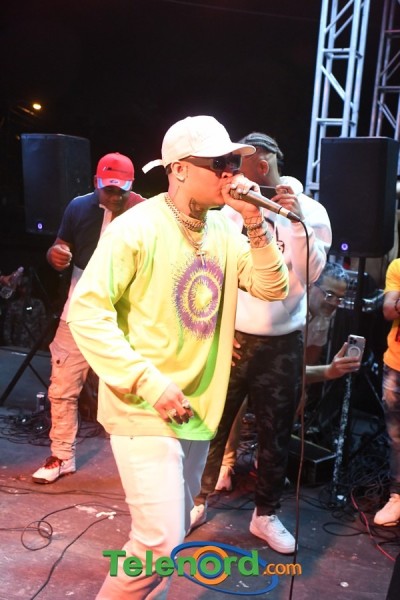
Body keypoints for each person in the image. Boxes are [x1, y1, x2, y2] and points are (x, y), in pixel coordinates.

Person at [67, 115, 289, 599]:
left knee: (173, 537)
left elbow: (273, 287)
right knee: (158, 544)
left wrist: (255, 222)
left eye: (233, 162)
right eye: (219, 163)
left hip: (196, 408)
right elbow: (86, 312)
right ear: (180, 169)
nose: (231, 173)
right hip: (145, 406)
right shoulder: (136, 228)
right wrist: (147, 381)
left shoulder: (225, 228)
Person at [190, 131, 332, 554]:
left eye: (241, 162)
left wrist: (294, 223)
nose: (231, 170)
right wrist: (215, 329)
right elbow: (210, 273)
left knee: (276, 435)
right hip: (232, 336)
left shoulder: (311, 212)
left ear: (264, 163)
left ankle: (265, 514)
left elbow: (310, 275)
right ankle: (196, 500)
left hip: (281, 343)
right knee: (211, 425)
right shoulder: (229, 210)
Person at [32, 152, 144, 484]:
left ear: (131, 185)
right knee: (62, 386)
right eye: (109, 189)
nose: (115, 196)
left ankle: (140, 464)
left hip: (125, 315)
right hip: (79, 309)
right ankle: (62, 456)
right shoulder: (78, 207)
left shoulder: (144, 212)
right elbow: (59, 247)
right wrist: (55, 255)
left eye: (121, 190)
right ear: (96, 182)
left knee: (131, 389)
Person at [214, 262, 358, 492]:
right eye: (330, 294)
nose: (333, 303)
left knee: (294, 395)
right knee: (238, 398)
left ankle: (265, 461)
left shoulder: (322, 321)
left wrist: (328, 372)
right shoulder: (282, 305)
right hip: (248, 362)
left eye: (339, 299)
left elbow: (300, 372)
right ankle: (226, 463)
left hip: (277, 374)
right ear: (311, 285)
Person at [374, 258, 400, 526]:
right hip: (396, 364)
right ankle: (397, 496)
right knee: (396, 438)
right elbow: (389, 310)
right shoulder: (398, 267)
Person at [3, 275, 47, 348]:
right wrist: (10, 345)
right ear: (19, 289)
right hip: (18, 345)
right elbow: (7, 326)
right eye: (24, 286)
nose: (26, 289)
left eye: (28, 287)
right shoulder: (14, 306)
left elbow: (43, 324)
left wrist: (43, 343)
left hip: (34, 345)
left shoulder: (38, 304)